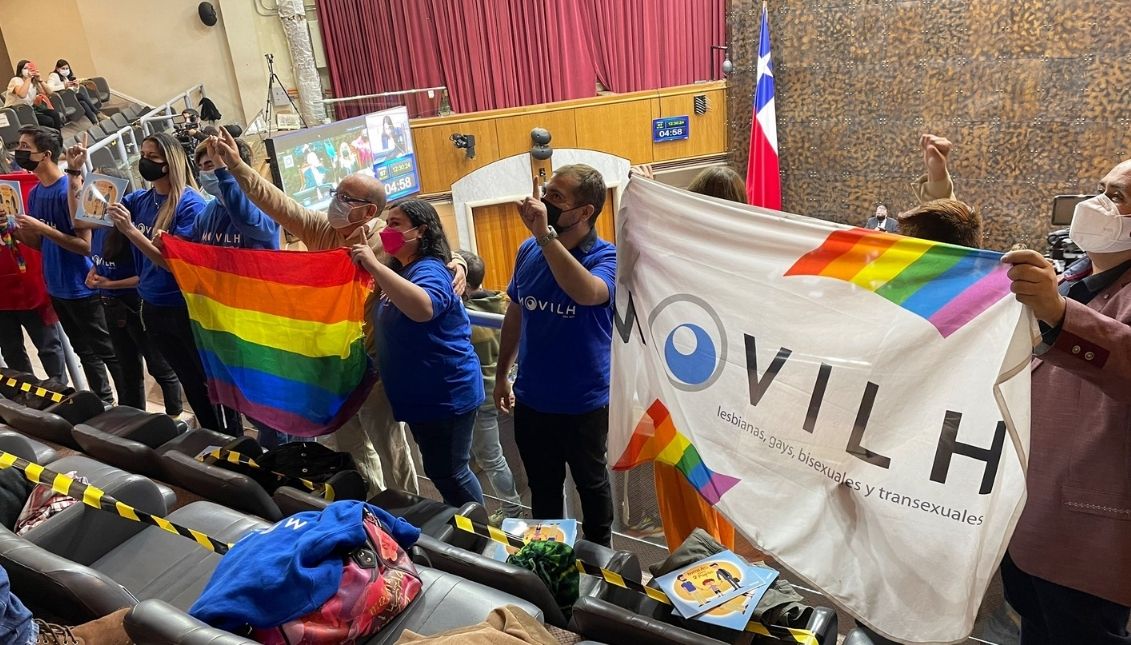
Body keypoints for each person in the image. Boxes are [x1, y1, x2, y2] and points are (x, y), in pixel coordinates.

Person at [213, 126, 468, 495]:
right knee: (349, 443)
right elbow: (275, 202)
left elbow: (433, 249)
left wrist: (458, 261)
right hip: (331, 362)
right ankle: (371, 502)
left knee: (389, 443)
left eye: (344, 197)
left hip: (374, 362)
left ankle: (407, 505)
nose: (335, 201)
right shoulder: (320, 230)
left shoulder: (387, 237)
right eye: (336, 193)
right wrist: (237, 166)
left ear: (367, 210)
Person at [997, 161, 1131, 643]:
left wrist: (1056, 312)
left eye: (1118, 197)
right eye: (1100, 190)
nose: (1098, 204)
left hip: (1091, 531)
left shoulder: (1064, 296)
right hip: (1033, 513)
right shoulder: (1070, 278)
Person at [68, 132, 241, 433]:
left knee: (210, 383)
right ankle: (211, 438)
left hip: (183, 308)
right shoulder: (140, 199)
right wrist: (74, 174)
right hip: (152, 307)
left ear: (169, 163)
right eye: (143, 155)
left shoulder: (190, 205)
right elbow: (83, 220)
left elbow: (175, 266)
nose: (144, 162)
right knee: (189, 382)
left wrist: (132, 232)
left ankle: (233, 439)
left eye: (152, 158)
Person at [494, 164, 616, 547]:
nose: (545, 202)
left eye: (557, 197)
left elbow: (588, 293)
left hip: (584, 403)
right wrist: (502, 375)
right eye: (546, 191)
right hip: (532, 399)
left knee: (592, 485)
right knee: (543, 490)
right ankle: (551, 555)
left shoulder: (606, 257)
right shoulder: (528, 250)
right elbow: (516, 312)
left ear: (584, 213)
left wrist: (545, 236)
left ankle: (601, 558)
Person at [630, 163, 740, 551]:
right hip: (724, 402)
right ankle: (721, 574)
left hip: (676, 396)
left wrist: (644, 199)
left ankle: (694, 573)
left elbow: (632, 263)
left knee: (682, 494)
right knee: (716, 493)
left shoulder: (673, 256)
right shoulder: (745, 262)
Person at [351, 200, 484, 507]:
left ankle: (484, 538)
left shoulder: (430, 270)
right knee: (440, 471)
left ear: (421, 231)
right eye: (386, 223)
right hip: (422, 397)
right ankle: (463, 529)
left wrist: (373, 264)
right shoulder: (402, 269)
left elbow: (424, 308)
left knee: (451, 472)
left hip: (445, 394)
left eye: (395, 223)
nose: (387, 230)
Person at [190, 136, 298, 447]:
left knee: (270, 405)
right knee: (247, 401)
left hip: (260, 322)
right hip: (225, 322)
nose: (208, 173)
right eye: (204, 167)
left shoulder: (260, 206)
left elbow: (251, 223)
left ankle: (286, 460)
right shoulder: (208, 212)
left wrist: (227, 172)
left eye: (214, 164)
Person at [14, 126, 125, 405]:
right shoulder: (36, 192)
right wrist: (15, 229)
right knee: (83, 351)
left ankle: (130, 405)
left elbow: (84, 245)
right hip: (57, 285)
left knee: (108, 351)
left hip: (82, 286)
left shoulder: (68, 189)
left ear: (45, 154)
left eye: (25, 147)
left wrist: (43, 228)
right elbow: (42, 244)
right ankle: (104, 402)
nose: (19, 152)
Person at [458, 250, 526, 525]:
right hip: (505, 387)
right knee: (496, 452)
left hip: (482, 395)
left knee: (492, 458)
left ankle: (512, 511)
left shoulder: (465, 316)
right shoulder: (501, 303)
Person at [0, 168, 65, 381]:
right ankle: (29, 397)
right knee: (12, 352)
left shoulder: (23, 184)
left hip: (30, 285)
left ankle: (63, 395)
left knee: (48, 347)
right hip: (2, 296)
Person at [5, 61, 63, 131]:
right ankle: (48, 139)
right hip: (17, 111)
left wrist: (40, 80)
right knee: (48, 121)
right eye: (25, 68)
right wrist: (28, 78)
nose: (28, 70)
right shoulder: (16, 80)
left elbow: (49, 92)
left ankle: (57, 137)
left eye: (30, 68)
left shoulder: (33, 81)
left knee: (55, 114)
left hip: (30, 108)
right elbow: (22, 95)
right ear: (20, 70)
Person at [45, 59, 101, 125]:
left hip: (68, 99)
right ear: (57, 69)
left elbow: (72, 92)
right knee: (80, 95)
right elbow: (49, 89)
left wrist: (76, 87)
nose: (65, 70)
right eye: (63, 68)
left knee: (82, 102)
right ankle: (97, 113)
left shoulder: (65, 77)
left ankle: (95, 122)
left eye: (67, 68)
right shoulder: (53, 75)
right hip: (60, 101)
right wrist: (64, 86)